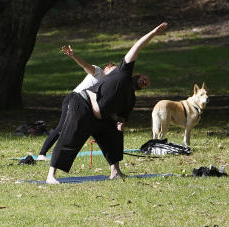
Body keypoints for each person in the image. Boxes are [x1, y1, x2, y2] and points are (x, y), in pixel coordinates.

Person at [46, 22, 168, 184]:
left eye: (147, 83)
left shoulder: (131, 99)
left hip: (100, 118)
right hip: (82, 104)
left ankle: (115, 172)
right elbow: (137, 46)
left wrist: (119, 128)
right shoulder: (123, 72)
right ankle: (51, 176)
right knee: (70, 137)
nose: (145, 81)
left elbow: (121, 119)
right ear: (137, 75)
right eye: (144, 78)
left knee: (113, 136)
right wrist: (153, 33)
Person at [36, 46, 117, 161]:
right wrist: (73, 55)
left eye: (116, 71)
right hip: (73, 99)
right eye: (112, 68)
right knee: (62, 127)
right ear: (106, 68)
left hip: (83, 105)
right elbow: (85, 65)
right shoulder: (98, 72)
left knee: (72, 129)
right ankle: (42, 154)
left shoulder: (108, 85)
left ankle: (57, 153)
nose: (114, 72)